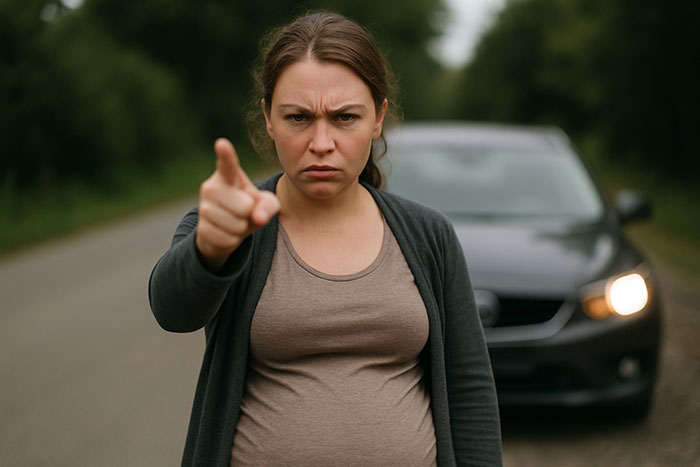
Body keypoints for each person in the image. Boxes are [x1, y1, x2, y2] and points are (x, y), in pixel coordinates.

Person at [148, 11, 502, 467]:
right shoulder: (230, 223)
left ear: (378, 118)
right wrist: (209, 250)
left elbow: (469, 385)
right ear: (268, 118)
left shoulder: (427, 234)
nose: (321, 141)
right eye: (298, 117)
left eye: (344, 118)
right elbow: (171, 311)